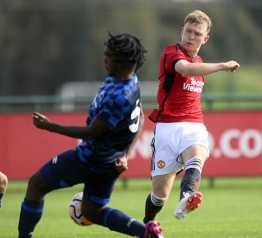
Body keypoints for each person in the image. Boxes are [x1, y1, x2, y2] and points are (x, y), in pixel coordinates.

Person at [18, 33, 164, 238]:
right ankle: (146, 233)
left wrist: (49, 126)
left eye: (108, 56)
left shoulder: (118, 96)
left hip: (89, 159)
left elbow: (92, 132)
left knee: (36, 185)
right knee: (92, 211)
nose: (104, 59)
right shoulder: (131, 82)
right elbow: (140, 118)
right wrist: (125, 154)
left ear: (121, 62)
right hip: (110, 163)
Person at [143, 10, 240, 222]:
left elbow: (193, 69)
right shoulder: (172, 53)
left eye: (197, 33)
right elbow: (185, 69)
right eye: (188, 31)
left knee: (197, 155)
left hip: (193, 125)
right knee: (159, 196)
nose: (191, 36)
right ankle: (147, 225)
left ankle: (187, 197)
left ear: (205, 38)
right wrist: (223, 66)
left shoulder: (201, 62)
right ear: (181, 31)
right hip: (167, 128)